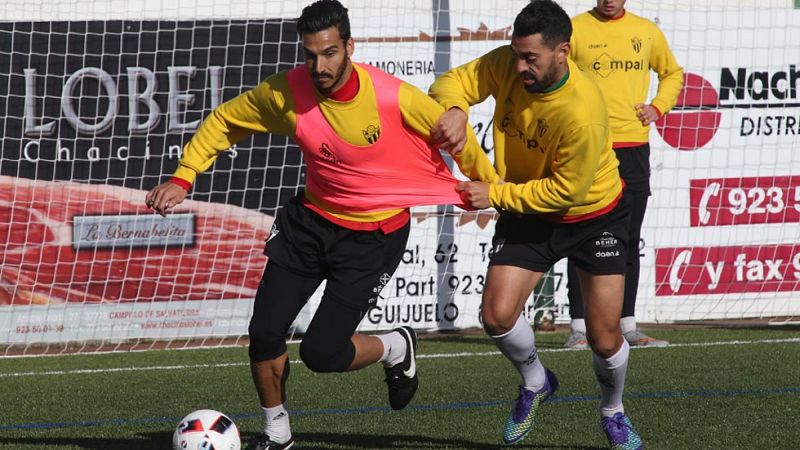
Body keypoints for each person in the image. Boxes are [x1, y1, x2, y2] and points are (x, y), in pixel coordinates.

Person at [145, 1, 498, 449]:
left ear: (350, 46)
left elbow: (461, 142)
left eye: (329, 53)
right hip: (310, 224)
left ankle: (395, 345)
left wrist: (491, 188)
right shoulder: (287, 93)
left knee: (321, 353)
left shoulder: (392, 96)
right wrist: (184, 176)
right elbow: (225, 121)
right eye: (310, 54)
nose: (319, 66)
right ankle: (277, 433)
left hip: (373, 238)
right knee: (264, 332)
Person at [428, 1, 642, 448]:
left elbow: (566, 193)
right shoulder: (510, 63)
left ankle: (613, 411)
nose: (520, 66)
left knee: (604, 339)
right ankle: (536, 381)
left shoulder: (582, 110)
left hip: (594, 216)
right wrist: (455, 107)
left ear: (562, 52)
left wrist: (495, 194)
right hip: (529, 212)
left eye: (531, 58)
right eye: (516, 55)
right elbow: (454, 80)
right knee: (496, 315)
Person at [565, 0, 684, 350]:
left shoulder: (646, 31)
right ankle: (579, 328)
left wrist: (657, 107)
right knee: (580, 235)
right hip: (589, 144)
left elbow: (672, 73)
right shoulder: (574, 29)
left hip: (633, 147)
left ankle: (626, 325)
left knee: (629, 237)